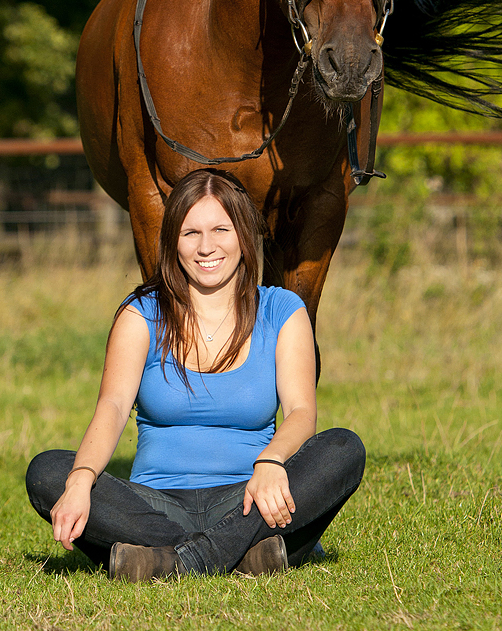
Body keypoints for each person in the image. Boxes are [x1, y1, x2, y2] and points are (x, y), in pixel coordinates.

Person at [26, 169, 365, 580]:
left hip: (249, 498)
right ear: (173, 241)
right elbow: (113, 407)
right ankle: (240, 552)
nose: (207, 247)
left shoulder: (283, 310)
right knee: (47, 473)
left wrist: (273, 461)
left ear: (244, 233)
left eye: (221, 229)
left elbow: (300, 411)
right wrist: (81, 478)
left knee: (344, 448)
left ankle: (171, 561)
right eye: (191, 233)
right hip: (151, 505)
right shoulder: (141, 314)